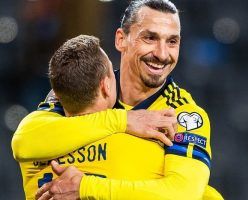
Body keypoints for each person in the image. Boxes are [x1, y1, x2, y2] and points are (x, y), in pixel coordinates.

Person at [13, 0, 223, 199]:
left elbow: (184, 194)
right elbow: (24, 142)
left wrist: (85, 187)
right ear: (121, 39)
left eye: (172, 41)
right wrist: (122, 120)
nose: (161, 53)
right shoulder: (87, 85)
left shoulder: (182, 115)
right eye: (149, 38)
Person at [12, 34, 178, 200]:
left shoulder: (37, 143)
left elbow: (22, 142)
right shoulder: (142, 146)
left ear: (56, 94)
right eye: (112, 73)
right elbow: (182, 192)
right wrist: (122, 118)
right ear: (106, 85)